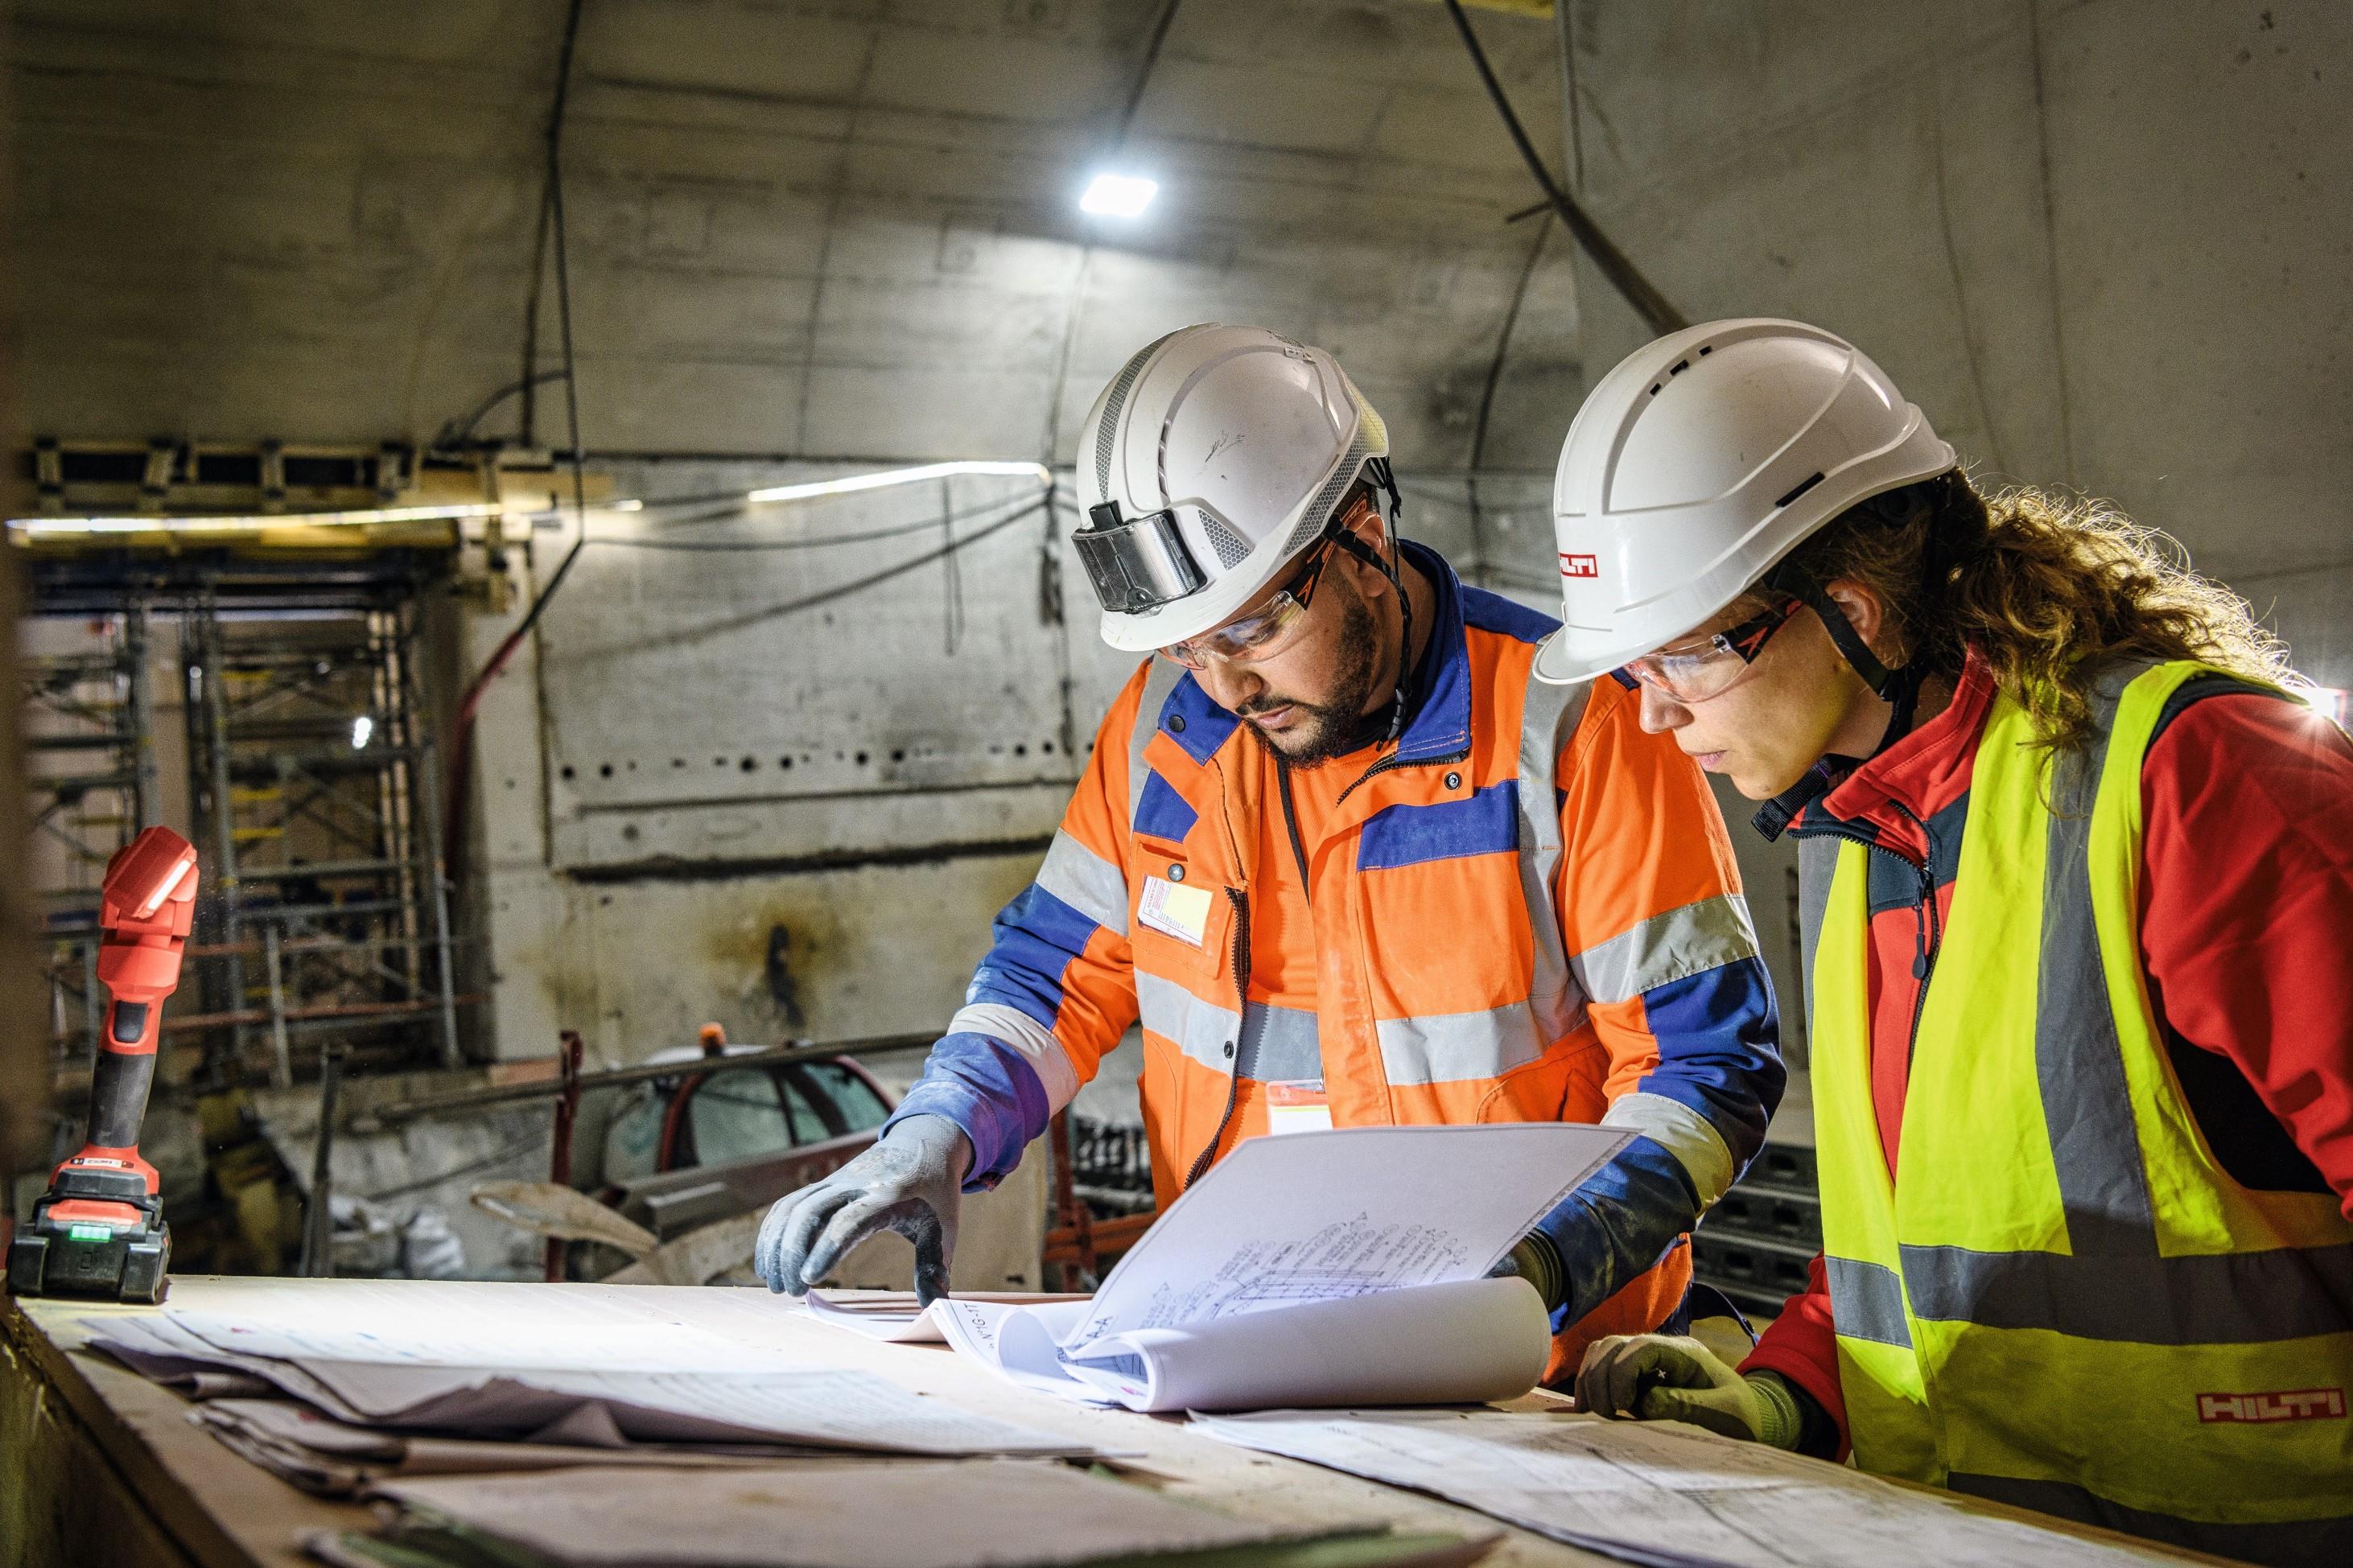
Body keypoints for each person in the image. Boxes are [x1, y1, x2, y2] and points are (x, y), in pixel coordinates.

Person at [754, 323, 1784, 1380]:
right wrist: (939, 1128)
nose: (1222, 683)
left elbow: (1704, 1067)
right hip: (1228, 1363)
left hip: (1532, 1379)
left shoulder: (1575, 728)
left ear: (1364, 538)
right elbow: (1050, 977)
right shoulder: (1167, 732)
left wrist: (1540, 1270)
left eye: (1248, 628)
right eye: (1186, 644)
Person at [1543, 319, 2353, 1563]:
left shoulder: (2192, 777)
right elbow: (1917, 1230)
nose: (1652, 712)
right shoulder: (1857, 833)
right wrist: (1785, 1389)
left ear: (1851, 611)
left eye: (1683, 655)